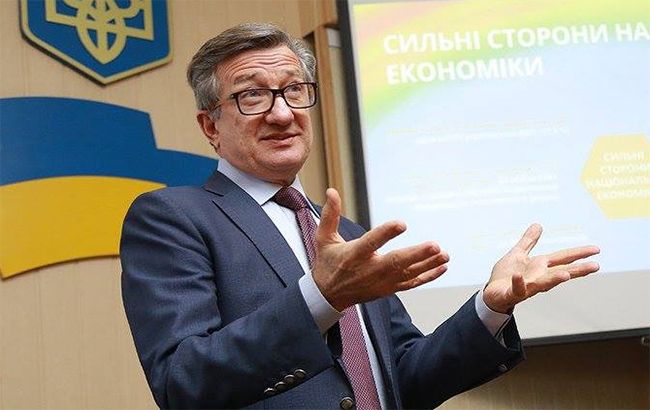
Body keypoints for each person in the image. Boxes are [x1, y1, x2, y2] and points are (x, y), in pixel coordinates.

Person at [120, 23, 600, 409]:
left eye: (294, 90)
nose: (282, 114)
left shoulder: (349, 237)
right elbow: (183, 382)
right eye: (252, 96)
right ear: (210, 125)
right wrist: (321, 298)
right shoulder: (173, 218)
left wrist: (490, 307)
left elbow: (405, 378)